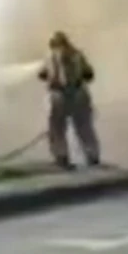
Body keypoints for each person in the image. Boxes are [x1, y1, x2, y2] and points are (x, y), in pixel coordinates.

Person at [38, 31, 101, 169]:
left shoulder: (49, 56)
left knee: (57, 128)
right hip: (79, 95)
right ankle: (92, 156)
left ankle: (61, 157)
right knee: (84, 128)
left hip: (59, 97)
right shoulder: (78, 54)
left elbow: (43, 74)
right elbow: (89, 74)